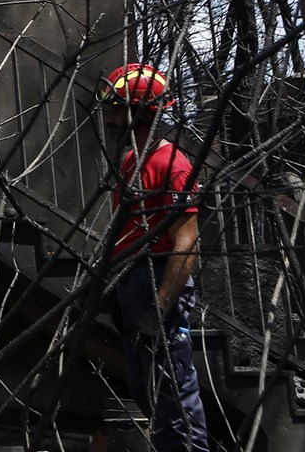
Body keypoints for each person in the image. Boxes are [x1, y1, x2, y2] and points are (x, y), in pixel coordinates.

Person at [100, 63, 211, 452]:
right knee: (146, 392)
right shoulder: (132, 162)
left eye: (117, 108)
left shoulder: (174, 166)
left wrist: (158, 310)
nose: (111, 118)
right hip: (132, 286)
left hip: (159, 285)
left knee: (174, 399)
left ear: (143, 112)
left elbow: (186, 244)